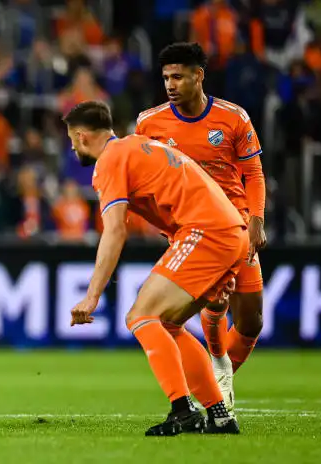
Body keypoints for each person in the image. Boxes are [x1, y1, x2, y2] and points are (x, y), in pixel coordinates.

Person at [65, 100, 243, 436]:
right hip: (227, 230)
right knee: (168, 324)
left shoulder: (110, 160)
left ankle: (182, 410)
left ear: (82, 135)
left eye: (72, 140)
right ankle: (219, 415)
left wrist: (92, 296)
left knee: (140, 316)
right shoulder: (139, 145)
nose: (72, 148)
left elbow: (115, 230)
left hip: (206, 231)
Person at [135, 43, 267, 416]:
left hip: (236, 224)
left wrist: (256, 219)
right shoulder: (149, 123)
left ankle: (220, 364)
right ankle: (213, 387)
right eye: (165, 78)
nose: (170, 85)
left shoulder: (233, 118)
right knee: (212, 301)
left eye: (178, 77)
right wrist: (166, 225)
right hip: (191, 230)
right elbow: (147, 180)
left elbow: (253, 173)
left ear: (198, 76)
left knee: (251, 320)